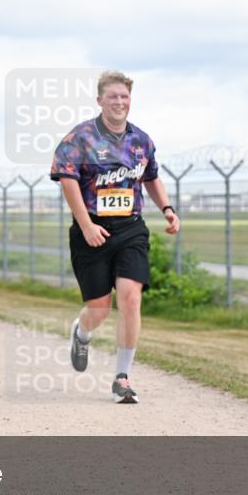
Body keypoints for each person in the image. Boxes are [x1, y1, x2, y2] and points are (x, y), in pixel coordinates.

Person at [51, 70, 180, 404]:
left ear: (130, 101)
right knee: (99, 309)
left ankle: (122, 377)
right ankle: (81, 333)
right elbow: (67, 182)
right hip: (91, 227)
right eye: (113, 96)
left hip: (130, 228)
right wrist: (86, 226)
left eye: (124, 97)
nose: (119, 102)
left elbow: (152, 177)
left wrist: (166, 208)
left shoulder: (141, 141)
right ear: (100, 100)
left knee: (131, 298)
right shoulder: (79, 138)